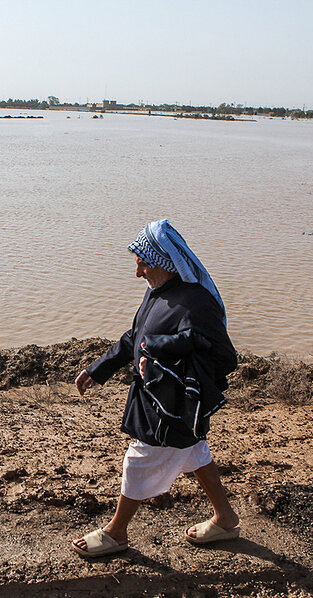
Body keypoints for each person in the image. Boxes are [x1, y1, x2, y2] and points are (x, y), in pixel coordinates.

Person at [72, 219, 240, 557]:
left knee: (139, 460)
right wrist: (98, 369)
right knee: (195, 453)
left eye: (142, 264)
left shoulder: (196, 303)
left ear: (163, 261)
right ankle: (225, 519)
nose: (138, 273)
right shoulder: (158, 293)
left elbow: (224, 356)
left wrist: (163, 350)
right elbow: (135, 338)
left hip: (173, 405)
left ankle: (116, 533)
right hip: (154, 398)